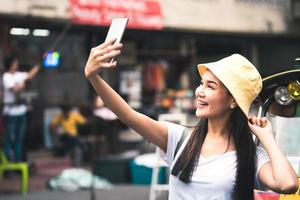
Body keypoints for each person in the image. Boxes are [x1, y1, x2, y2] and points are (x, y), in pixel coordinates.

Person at [84, 39, 298, 199]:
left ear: (233, 101)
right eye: (201, 83)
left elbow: (287, 184)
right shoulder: (179, 138)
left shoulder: (250, 155)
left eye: (210, 86)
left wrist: (267, 137)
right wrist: (94, 77)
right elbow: (129, 116)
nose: (199, 92)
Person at [2, 54, 40, 162]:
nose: (16, 64)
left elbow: (29, 75)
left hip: (21, 111)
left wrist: (38, 64)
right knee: (10, 138)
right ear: (10, 64)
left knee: (20, 139)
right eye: (15, 62)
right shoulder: (6, 76)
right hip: (10, 113)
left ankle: (18, 161)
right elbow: (14, 89)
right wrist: (24, 84)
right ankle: (7, 161)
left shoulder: (19, 75)